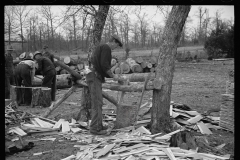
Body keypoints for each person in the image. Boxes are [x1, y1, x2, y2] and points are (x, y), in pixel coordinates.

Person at [87, 35, 123, 135]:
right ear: (113, 41)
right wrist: (113, 76)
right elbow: (104, 65)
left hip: (94, 76)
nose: (116, 47)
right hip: (94, 76)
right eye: (116, 45)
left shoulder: (101, 47)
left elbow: (101, 64)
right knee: (97, 103)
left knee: (98, 102)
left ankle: (99, 125)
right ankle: (95, 129)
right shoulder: (106, 48)